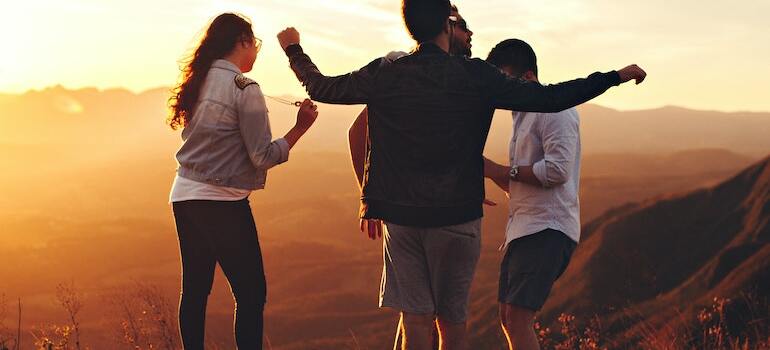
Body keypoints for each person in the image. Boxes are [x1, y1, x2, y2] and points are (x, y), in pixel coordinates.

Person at [277, 1, 646, 348]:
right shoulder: (476, 75)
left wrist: (294, 50)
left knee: (416, 321)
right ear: (446, 24)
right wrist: (613, 77)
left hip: (401, 217)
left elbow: (322, 86)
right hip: (457, 216)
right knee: (451, 324)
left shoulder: (387, 73)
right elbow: (550, 98)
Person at [167, 13, 318, 350]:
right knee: (251, 294)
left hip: (184, 195)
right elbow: (262, 156)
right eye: (256, 45)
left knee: (195, 290)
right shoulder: (245, 89)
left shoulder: (200, 80)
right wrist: (300, 128)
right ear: (243, 42)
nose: (256, 52)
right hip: (223, 202)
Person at [484, 39, 583, 350]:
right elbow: (522, 183)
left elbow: (556, 171)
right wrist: (490, 172)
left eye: (505, 81)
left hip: (547, 228)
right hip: (525, 228)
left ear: (527, 78)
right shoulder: (522, 115)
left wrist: (500, 169)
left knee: (516, 316)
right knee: (507, 315)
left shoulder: (555, 110)